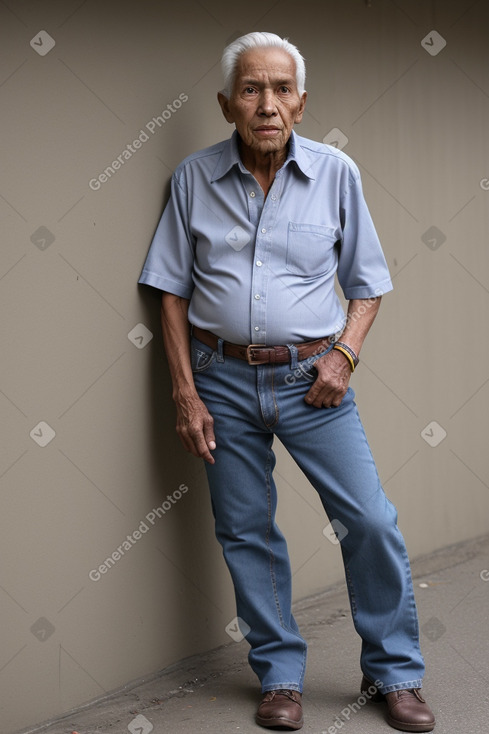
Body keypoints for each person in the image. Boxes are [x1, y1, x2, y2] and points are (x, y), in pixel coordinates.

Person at [138, 31, 435, 733]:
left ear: (300, 104)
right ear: (225, 104)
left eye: (278, 90)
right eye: (250, 89)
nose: (265, 104)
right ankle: (278, 674)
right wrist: (185, 393)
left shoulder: (337, 174)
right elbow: (170, 292)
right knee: (245, 529)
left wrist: (345, 357)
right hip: (220, 381)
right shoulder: (192, 179)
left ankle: (393, 672)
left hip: (315, 381)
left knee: (368, 520)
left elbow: (367, 285)